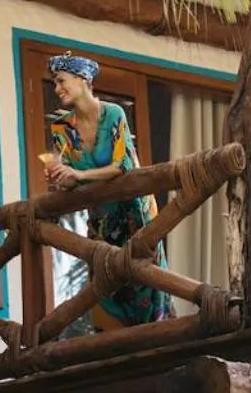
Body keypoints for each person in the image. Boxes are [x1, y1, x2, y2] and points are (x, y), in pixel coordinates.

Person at [43, 52, 172, 327]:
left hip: (136, 213)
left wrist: (79, 174)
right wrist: (60, 176)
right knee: (106, 285)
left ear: (83, 79)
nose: (57, 89)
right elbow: (71, 180)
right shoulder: (62, 128)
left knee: (147, 282)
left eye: (61, 81)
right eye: (54, 83)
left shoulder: (113, 114)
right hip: (102, 219)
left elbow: (122, 165)